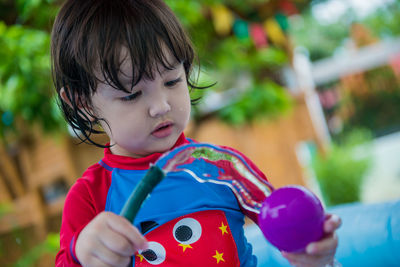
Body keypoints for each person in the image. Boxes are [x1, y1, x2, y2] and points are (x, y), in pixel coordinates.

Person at [51, 0, 341, 266]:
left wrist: (313, 254)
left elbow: (287, 232)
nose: (161, 106)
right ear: (83, 103)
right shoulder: (91, 197)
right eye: (132, 95)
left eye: (172, 80)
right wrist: (82, 253)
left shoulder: (222, 168)